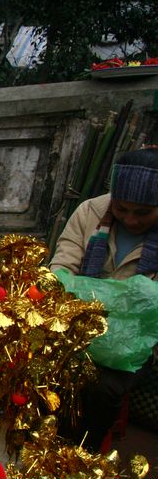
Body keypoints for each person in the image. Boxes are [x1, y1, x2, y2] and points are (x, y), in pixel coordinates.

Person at [50, 147, 158, 450]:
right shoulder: (91, 212)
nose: (131, 220)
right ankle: (39, 441)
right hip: (75, 325)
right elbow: (62, 267)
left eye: (143, 213)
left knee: (102, 387)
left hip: (133, 343)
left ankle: (82, 454)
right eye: (122, 209)